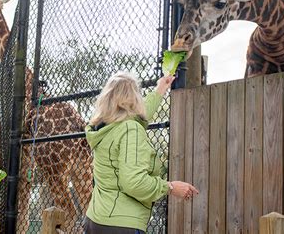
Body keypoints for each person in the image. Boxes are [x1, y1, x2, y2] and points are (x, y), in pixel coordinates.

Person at [84, 71, 199, 234]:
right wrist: (170, 187)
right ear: (133, 100)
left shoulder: (102, 128)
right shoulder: (131, 129)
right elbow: (133, 182)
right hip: (123, 225)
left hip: (95, 221)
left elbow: (139, 116)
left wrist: (160, 89)